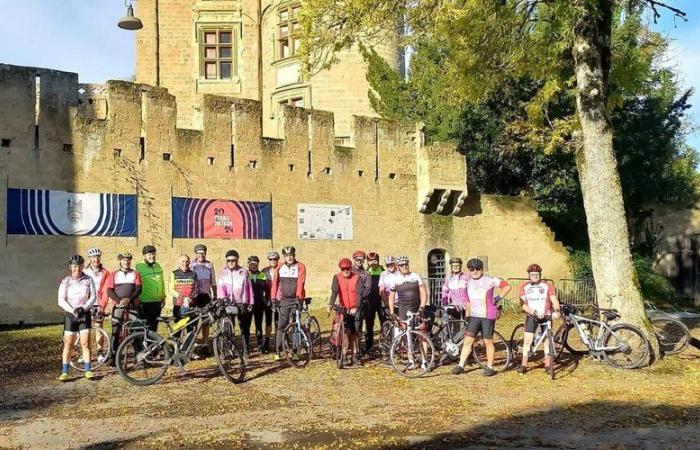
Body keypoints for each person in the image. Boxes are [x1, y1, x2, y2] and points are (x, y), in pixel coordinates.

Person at [452, 258, 511, 377]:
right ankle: (461, 365)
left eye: (478, 269)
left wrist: (498, 298)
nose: (475, 271)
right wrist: (467, 315)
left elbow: (507, 286)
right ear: (469, 270)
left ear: (482, 269)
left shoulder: (489, 280)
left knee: (487, 341)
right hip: (474, 316)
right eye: (472, 269)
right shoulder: (468, 282)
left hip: (487, 316)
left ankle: (489, 367)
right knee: (468, 340)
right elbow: (468, 301)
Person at [57, 255, 97, 381]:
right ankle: (65, 371)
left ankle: (88, 370)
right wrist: (72, 309)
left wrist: (83, 308)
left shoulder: (88, 279)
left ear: (82, 266)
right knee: (68, 343)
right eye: (74, 266)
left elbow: (93, 296)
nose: (77, 268)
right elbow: (61, 299)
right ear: (70, 267)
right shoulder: (65, 281)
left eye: (79, 265)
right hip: (71, 314)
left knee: (85, 343)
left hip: (84, 314)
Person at [516, 264, 561, 374]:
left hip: (546, 315)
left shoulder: (548, 285)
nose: (535, 276)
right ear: (529, 275)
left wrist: (557, 311)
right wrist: (533, 312)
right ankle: (523, 364)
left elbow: (554, 300)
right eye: (532, 274)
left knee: (547, 341)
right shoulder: (524, 286)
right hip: (532, 315)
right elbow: (522, 304)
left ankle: (547, 365)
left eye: (537, 274)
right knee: (528, 340)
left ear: (540, 275)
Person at [106, 252, 142, 365]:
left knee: (136, 329)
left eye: (128, 260)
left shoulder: (135, 273)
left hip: (132, 305)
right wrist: (119, 301)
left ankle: (138, 355)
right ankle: (113, 356)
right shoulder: (114, 274)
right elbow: (109, 290)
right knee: (115, 330)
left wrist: (129, 299)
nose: (126, 262)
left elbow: (138, 289)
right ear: (120, 261)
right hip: (118, 305)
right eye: (124, 260)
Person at [271, 246, 307, 361]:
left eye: (291, 255)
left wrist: (298, 297)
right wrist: (273, 298)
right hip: (284, 300)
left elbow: (301, 282)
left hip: (296, 299)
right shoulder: (280, 267)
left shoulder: (300, 266)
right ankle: (278, 350)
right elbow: (275, 283)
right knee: (281, 325)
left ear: (294, 255)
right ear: (284, 257)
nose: (289, 257)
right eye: (287, 256)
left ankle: (296, 350)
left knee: (296, 325)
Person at [217, 250, 253, 358]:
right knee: (228, 327)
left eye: (233, 260)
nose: (231, 262)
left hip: (241, 303)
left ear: (237, 260)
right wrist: (222, 300)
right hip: (228, 303)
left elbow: (249, 288)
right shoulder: (223, 273)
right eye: (229, 260)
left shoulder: (243, 272)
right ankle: (228, 350)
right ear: (226, 261)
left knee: (244, 328)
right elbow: (220, 288)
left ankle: (246, 350)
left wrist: (251, 302)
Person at [328, 258, 362, 365]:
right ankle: (344, 354)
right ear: (340, 269)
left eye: (348, 269)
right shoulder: (337, 277)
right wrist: (330, 304)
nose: (346, 271)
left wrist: (355, 307)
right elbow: (334, 292)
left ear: (350, 268)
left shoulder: (357, 277)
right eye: (343, 269)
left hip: (355, 308)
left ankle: (355, 354)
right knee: (346, 332)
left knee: (354, 332)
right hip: (344, 308)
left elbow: (359, 294)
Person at [83, 247, 112, 360]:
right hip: (86, 305)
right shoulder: (84, 272)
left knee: (99, 328)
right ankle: (85, 353)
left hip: (98, 304)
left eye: (98, 257)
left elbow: (106, 290)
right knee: (85, 329)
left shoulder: (105, 272)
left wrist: (102, 305)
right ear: (89, 258)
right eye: (94, 257)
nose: (96, 259)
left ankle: (100, 352)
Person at [191, 244, 216, 354]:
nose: (201, 255)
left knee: (206, 321)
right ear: (195, 254)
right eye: (198, 253)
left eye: (203, 253)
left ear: (205, 253)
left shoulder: (210, 265)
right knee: (194, 321)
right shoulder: (192, 265)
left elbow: (213, 281)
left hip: (206, 296)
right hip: (195, 296)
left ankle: (205, 343)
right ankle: (194, 343)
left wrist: (215, 296)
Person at [135, 245, 166, 333]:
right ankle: (143, 346)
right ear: (144, 256)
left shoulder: (158, 266)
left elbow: (162, 282)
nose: (152, 256)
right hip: (145, 303)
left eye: (153, 254)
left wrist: (163, 296)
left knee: (154, 326)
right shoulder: (138, 267)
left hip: (157, 302)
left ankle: (152, 346)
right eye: (149, 254)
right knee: (144, 328)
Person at [387, 256, 428, 320]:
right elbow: (391, 297)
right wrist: (392, 312)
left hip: (417, 308)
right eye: (401, 265)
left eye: (406, 264)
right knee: (404, 329)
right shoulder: (395, 279)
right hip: (403, 310)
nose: (404, 266)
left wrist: (422, 307)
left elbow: (423, 293)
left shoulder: (416, 276)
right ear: (397, 267)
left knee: (420, 328)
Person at [363, 251, 385, 355]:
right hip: (369, 302)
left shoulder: (383, 271)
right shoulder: (366, 272)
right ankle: (369, 345)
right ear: (367, 262)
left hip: (381, 301)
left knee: (384, 323)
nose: (373, 263)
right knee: (369, 324)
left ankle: (385, 344)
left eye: (375, 260)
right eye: (370, 261)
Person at [248, 255, 271, 353]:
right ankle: (247, 346)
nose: (254, 265)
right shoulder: (245, 274)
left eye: (255, 264)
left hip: (259, 303)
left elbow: (266, 288)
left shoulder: (261, 274)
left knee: (258, 325)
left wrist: (266, 299)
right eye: (252, 263)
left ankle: (260, 345)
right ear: (248, 264)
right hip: (248, 304)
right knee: (247, 326)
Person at [350, 250, 371, 355]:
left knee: (357, 326)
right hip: (347, 303)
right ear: (353, 260)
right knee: (346, 327)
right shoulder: (348, 271)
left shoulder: (366, 274)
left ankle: (356, 350)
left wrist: (358, 298)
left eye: (361, 260)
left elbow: (367, 289)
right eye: (357, 260)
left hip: (359, 304)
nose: (359, 262)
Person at [263, 251, 280, 338]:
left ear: (278, 260)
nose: (273, 261)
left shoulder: (281, 270)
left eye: (275, 259)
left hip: (278, 299)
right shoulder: (264, 271)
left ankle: (278, 342)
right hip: (268, 299)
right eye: (270, 259)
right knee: (268, 321)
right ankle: (267, 341)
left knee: (278, 321)